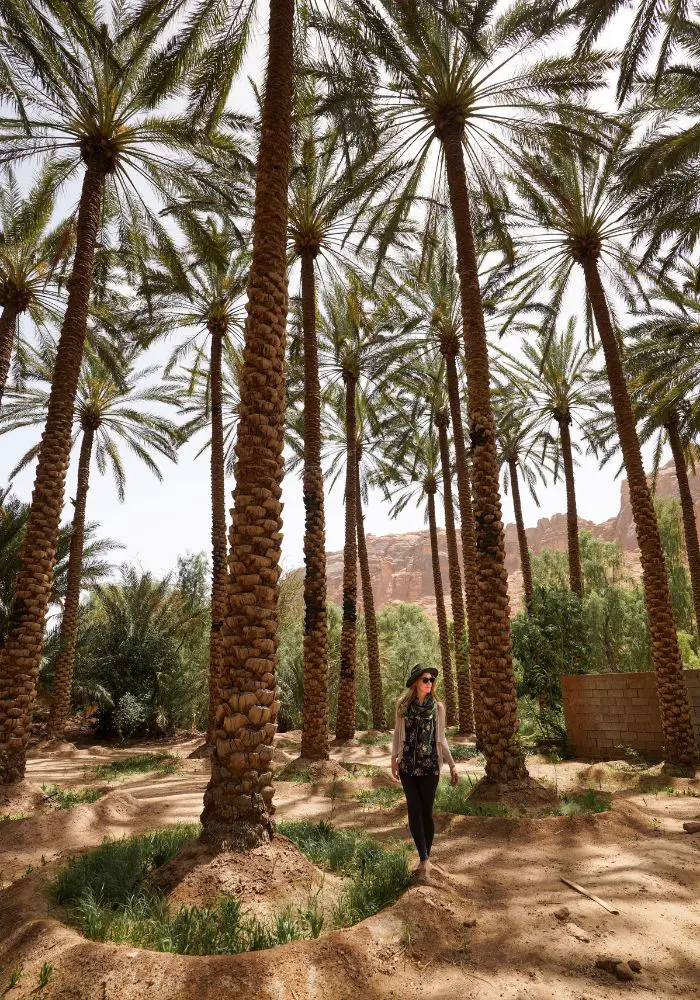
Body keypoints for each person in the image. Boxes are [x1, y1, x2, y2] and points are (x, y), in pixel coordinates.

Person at [391, 662, 458, 879]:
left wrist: (452, 764)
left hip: (430, 766)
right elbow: (397, 734)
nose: (429, 683)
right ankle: (423, 858)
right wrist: (394, 758)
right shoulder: (403, 706)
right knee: (413, 809)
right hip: (408, 767)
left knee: (426, 811)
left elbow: (441, 738)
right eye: (425, 679)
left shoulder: (438, 708)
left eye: (431, 680)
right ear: (416, 683)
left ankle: (425, 858)